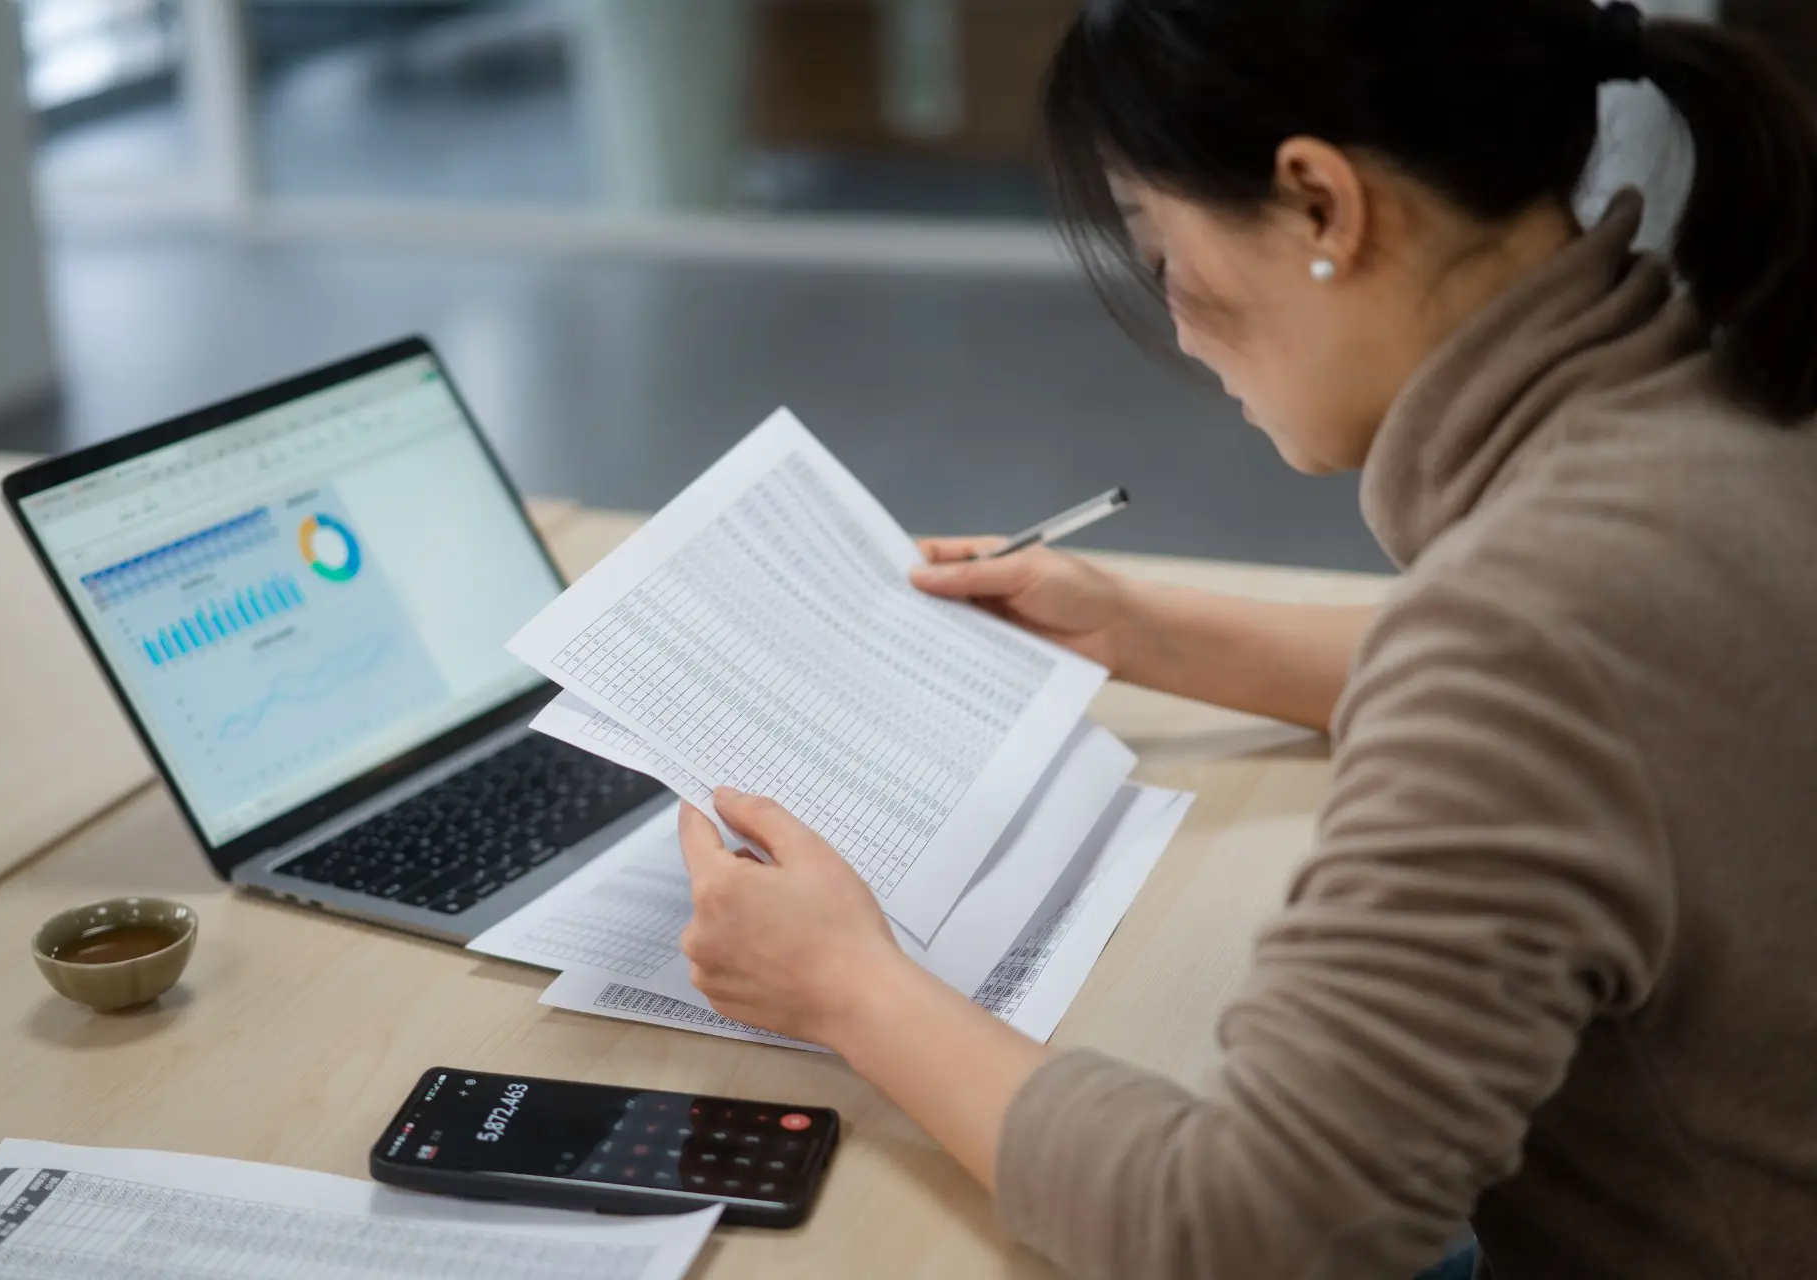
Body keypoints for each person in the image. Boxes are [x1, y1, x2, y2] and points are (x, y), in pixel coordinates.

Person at [675, 1, 1817, 1275]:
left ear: (1321, 203)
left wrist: (847, 985)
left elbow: (1250, 1230)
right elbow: (1610, 694)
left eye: (1159, 248)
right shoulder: (1727, 406)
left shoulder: (1533, 627)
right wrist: (1136, 626)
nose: (1176, 323)